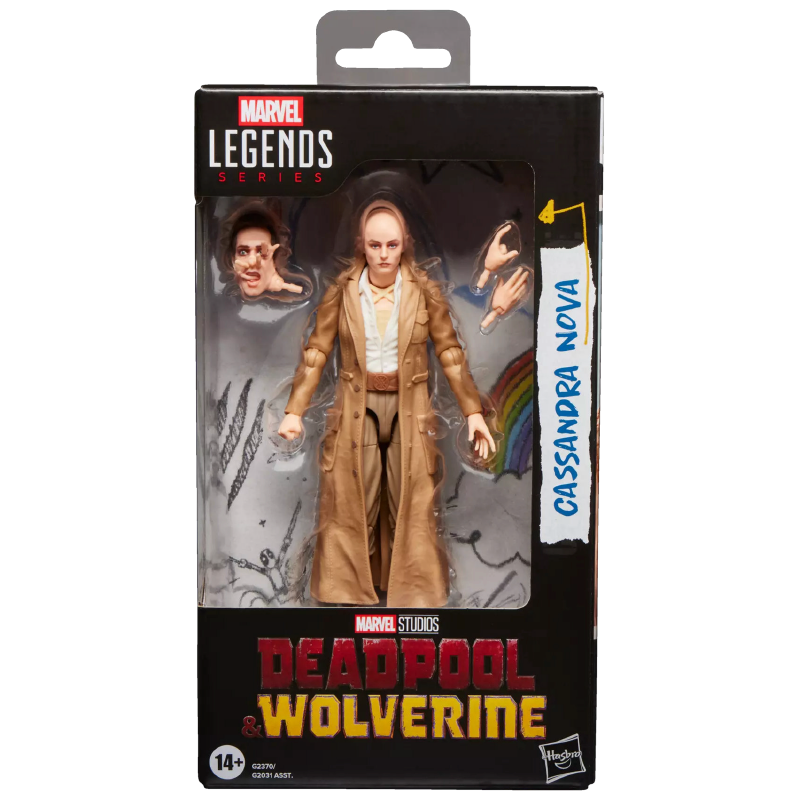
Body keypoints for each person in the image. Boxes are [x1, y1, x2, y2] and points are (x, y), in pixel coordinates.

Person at [278, 199, 503, 606]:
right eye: (375, 245)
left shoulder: (423, 291)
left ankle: (412, 590)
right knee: (354, 497)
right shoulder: (343, 291)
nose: (383, 254)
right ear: (361, 244)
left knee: (409, 499)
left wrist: (473, 412)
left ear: (405, 244)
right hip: (356, 406)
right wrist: (294, 411)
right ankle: (347, 590)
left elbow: (450, 352)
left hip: (409, 407)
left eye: (392, 245)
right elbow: (316, 352)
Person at [219, 202, 309, 301]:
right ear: (233, 258)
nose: (252, 261)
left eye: (261, 252)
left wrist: (281, 285)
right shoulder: (222, 299)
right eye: (243, 252)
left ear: (274, 259)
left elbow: (305, 291)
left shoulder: (288, 291)